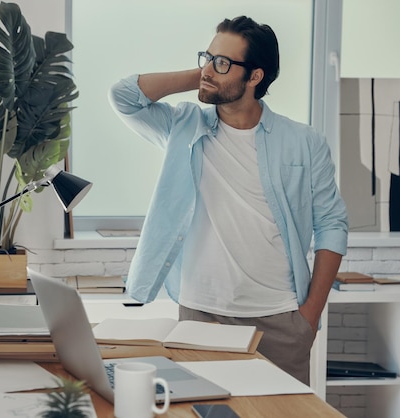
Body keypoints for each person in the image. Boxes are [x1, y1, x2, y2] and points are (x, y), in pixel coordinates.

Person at [108, 16, 348, 384]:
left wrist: (310, 317)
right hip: (203, 316)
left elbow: (332, 226)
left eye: (222, 63)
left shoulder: (304, 141)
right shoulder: (182, 127)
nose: (208, 68)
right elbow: (123, 96)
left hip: (281, 320)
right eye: (208, 56)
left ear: (255, 77)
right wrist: (205, 74)